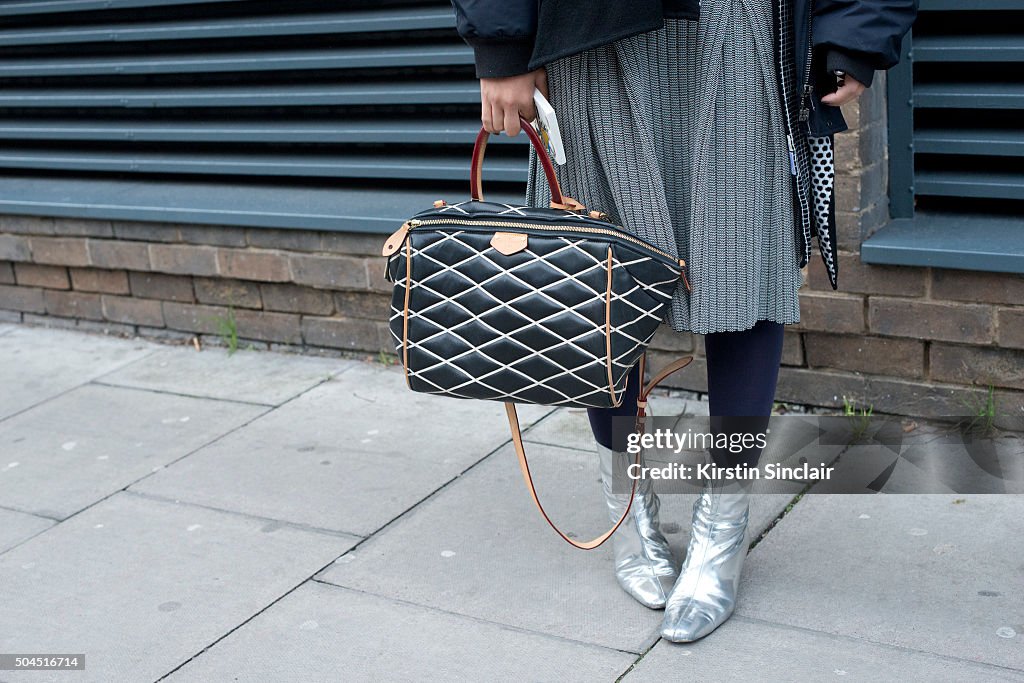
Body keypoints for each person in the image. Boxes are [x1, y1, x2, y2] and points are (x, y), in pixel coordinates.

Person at [449, 0, 916, 642]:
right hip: (590, 45)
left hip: (743, 33)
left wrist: (854, 30)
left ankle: (722, 527)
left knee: (742, 274)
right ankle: (626, 501)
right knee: (595, 288)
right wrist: (502, 44)